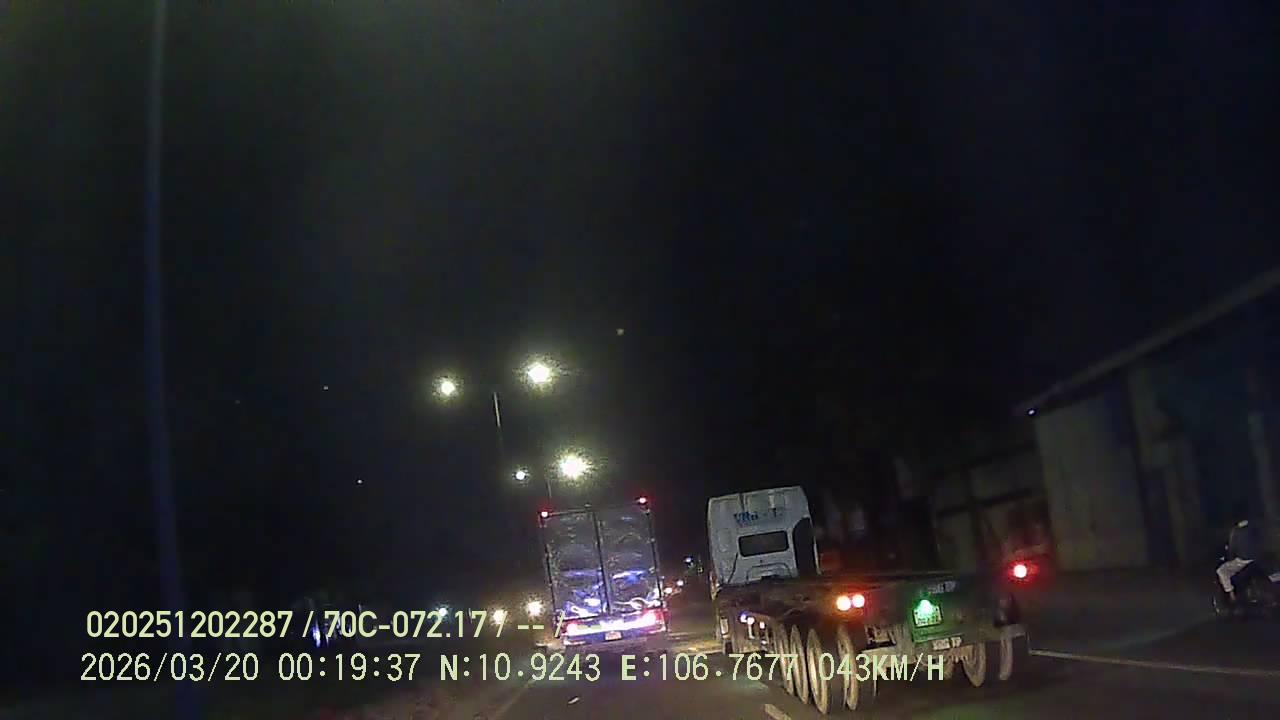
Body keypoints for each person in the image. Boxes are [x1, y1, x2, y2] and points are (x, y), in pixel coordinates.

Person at [1217, 517, 1262, 600]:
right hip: (1258, 556)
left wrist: (1229, 557)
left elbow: (1232, 549)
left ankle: (1231, 594)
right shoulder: (1254, 525)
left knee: (1221, 571)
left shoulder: (1235, 531)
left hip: (1244, 560)